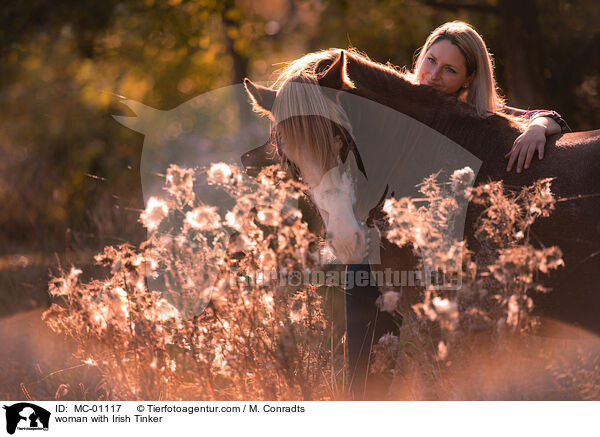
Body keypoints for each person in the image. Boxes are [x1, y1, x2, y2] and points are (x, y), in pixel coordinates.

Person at [408, 21, 571, 173]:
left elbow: (550, 118)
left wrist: (537, 128)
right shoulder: (399, 99)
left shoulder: (475, 113)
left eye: (449, 69)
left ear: (468, 78)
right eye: (431, 60)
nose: (434, 75)